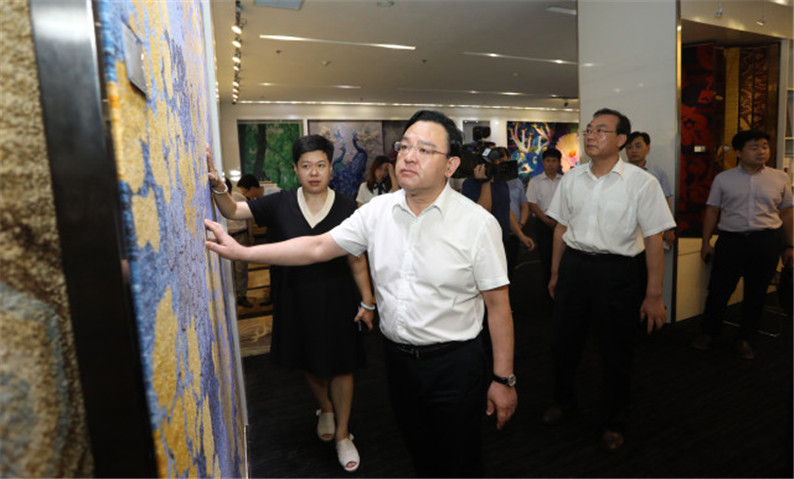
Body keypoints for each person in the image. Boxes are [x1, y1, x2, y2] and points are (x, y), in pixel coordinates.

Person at [205, 110, 517, 478]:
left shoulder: (476, 224)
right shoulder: (378, 211)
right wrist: (242, 253)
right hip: (397, 360)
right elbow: (316, 247)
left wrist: (503, 379)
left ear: (450, 165)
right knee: (418, 448)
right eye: (405, 146)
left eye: (424, 150)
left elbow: (498, 306)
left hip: (455, 364)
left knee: (460, 458)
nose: (409, 157)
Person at [206, 137, 375, 473]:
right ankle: (325, 408)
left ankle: (343, 434)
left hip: (337, 297)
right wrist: (219, 186)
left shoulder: (347, 207)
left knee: (343, 366)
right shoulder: (280, 203)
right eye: (306, 165)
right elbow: (232, 211)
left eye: (321, 165)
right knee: (309, 361)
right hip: (295, 297)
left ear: (331, 169)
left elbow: (357, 260)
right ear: (296, 169)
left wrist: (367, 301)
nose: (314, 172)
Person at [542, 108, 675, 453]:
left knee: (616, 350)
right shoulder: (572, 178)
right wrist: (556, 273)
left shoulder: (642, 182)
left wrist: (653, 294)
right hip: (575, 267)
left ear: (621, 140)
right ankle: (562, 401)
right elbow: (560, 228)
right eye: (589, 129)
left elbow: (654, 239)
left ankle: (613, 420)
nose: (590, 136)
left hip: (618, 272)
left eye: (601, 130)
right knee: (563, 343)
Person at [691, 130, 793, 360]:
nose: (761, 151)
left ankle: (745, 338)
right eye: (754, 147)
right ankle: (709, 333)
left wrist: (790, 246)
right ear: (738, 152)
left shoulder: (779, 178)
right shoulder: (723, 179)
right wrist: (706, 242)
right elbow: (712, 211)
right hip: (731, 241)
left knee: (756, 292)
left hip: (766, 241)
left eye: (764, 146)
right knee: (719, 290)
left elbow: (787, 212)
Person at [462, 146, 534, 264]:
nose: (497, 163)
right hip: (484, 245)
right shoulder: (470, 184)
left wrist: (521, 236)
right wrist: (485, 182)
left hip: (504, 242)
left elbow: (506, 210)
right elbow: (482, 213)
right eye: (492, 160)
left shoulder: (501, 182)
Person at [625, 132, 676, 249]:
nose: (633, 150)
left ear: (648, 148)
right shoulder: (618, 172)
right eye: (629, 147)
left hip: (651, 227)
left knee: (650, 258)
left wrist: (668, 229)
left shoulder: (658, 173)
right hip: (625, 228)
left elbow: (664, 202)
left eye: (638, 146)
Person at [526, 148, 563, 294]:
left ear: (559, 162)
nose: (551, 164)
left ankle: (562, 290)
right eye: (548, 161)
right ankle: (548, 291)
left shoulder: (564, 180)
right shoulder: (535, 182)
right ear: (543, 162)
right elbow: (532, 204)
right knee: (546, 257)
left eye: (554, 161)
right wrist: (546, 221)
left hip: (562, 224)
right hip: (543, 223)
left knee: (563, 259)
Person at [225, 177, 253, 308]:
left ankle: (242, 295)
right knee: (229, 269)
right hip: (226, 236)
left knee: (241, 268)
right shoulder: (215, 199)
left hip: (241, 234)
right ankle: (232, 297)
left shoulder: (238, 197)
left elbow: (248, 217)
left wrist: (250, 234)